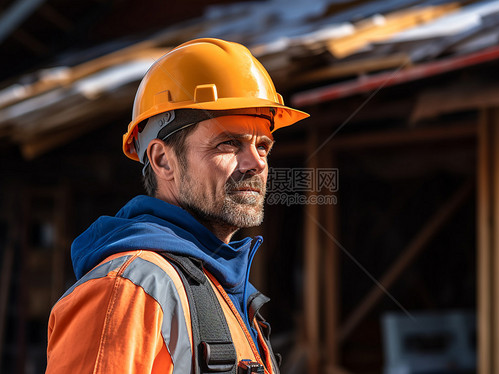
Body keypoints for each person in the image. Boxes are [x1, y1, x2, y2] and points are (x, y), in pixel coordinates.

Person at [45, 38, 309, 373]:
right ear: (162, 160)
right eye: (229, 143)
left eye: (263, 146)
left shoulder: (222, 287)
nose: (255, 163)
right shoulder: (126, 289)